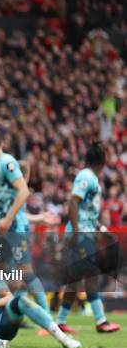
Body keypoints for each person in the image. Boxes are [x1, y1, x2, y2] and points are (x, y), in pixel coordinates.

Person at [0, 128, 49, 313]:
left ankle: (48, 320)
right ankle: (5, 313)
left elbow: (24, 191)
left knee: (25, 272)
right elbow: (1, 203)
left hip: (14, 227)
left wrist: (8, 219)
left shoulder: (7, 162)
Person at [56, 142, 120, 333]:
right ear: (102, 161)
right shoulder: (86, 176)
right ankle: (101, 321)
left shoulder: (91, 178)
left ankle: (60, 321)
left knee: (75, 279)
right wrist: (76, 231)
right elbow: (73, 203)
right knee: (91, 275)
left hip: (86, 231)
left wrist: (102, 228)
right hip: (81, 234)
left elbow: (88, 211)